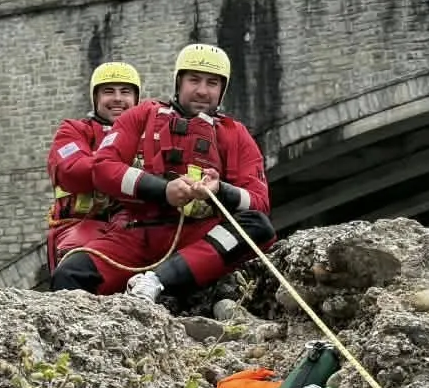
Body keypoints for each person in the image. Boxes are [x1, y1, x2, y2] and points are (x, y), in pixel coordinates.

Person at [49, 43, 275, 304]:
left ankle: (155, 282)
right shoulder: (141, 116)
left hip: (195, 236)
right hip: (134, 234)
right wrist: (164, 190)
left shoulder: (236, 134)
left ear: (221, 90)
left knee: (257, 226)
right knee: (70, 274)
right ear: (179, 82)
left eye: (212, 83)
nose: (202, 90)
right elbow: (103, 168)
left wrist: (219, 190)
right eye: (194, 80)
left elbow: (259, 201)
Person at [46, 61, 142, 274]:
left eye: (125, 92)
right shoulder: (73, 131)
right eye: (108, 91)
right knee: (75, 264)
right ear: (96, 97)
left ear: (136, 99)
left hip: (137, 228)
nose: (117, 98)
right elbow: (72, 171)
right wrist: (121, 161)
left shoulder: (151, 136)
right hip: (79, 227)